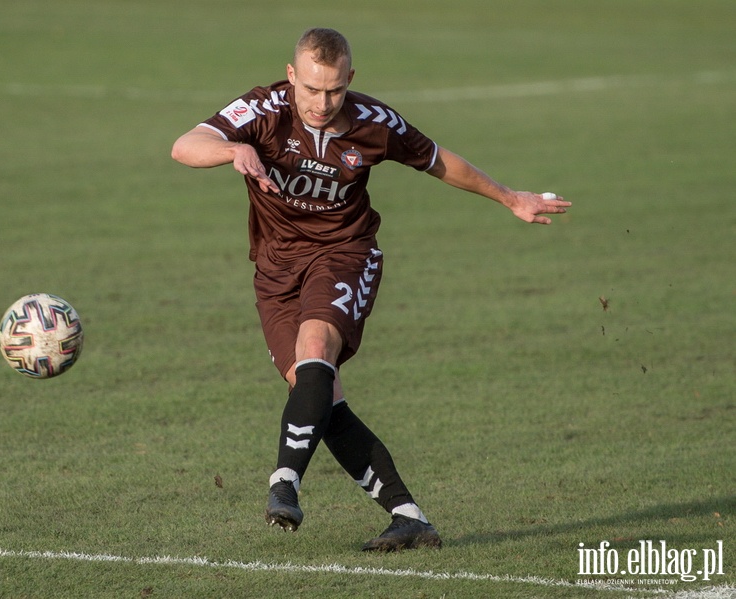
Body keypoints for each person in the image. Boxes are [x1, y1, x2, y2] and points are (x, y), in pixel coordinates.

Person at [171, 27, 570, 552]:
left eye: (334, 90)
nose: (322, 102)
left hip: (344, 254)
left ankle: (284, 483)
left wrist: (507, 197)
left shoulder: (372, 123)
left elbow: (437, 160)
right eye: (311, 89)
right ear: (292, 76)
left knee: (317, 350)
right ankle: (408, 517)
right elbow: (185, 145)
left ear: (350, 80)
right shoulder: (263, 109)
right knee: (316, 397)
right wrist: (231, 151)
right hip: (275, 269)